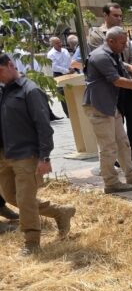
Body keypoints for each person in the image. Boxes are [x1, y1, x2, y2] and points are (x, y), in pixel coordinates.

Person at [0, 53, 76, 255]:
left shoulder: (31, 90)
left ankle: (31, 243)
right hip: (4, 155)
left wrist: (44, 157)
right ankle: (60, 211)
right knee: (11, 197)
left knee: (25, 200)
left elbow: (44, 127)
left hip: (26, 154)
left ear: (10, 65)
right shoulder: (3, 90)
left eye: (0, 71)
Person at [82, 26, 132, 193]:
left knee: (123, 143)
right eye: (123, 43)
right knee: (108, 147)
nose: (125, 47)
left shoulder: (112, 53)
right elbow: (117, 81)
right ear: (111, 41)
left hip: (110, 105)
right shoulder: (100, 56)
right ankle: (111, 183)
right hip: (99, 106)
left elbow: (123, 70)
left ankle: (131, 175)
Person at [88, 3, 132, 167]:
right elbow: (109, 60)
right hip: (110, 87)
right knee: (116, 124)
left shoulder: (123, 34)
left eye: (121, 15)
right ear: (105, 15)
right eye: (115, 15)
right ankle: (118, 159)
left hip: (128, 84)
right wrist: (130, 68)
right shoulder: (96, 35)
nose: (119, 18)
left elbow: (131, 57)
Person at [46, 36, 71, 119]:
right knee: (63, 95)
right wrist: (66, 70)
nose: (60, 44)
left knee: (71, 92)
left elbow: (69, 61)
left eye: (60, 42)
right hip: (59, 75)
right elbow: (54, 67)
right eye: (57, 43)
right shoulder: (51, 54)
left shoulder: (65, 51)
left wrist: (71, 68)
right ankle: (68, 113)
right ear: (52, 44)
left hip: (69, 74)